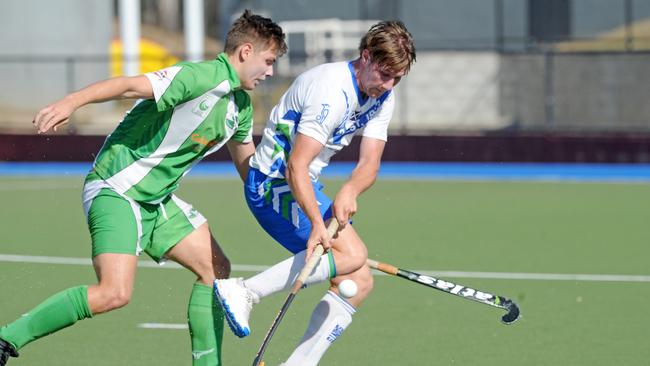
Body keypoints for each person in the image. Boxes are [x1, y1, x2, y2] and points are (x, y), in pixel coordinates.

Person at [0, 10, 286, 366]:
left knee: (216, 271)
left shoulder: (241, 106)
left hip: (157, 201)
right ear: (245, 52)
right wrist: (70, 102)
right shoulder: (198, 77)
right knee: (113, 293)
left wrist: (296, 205)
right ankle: (6, 339)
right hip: (116, 189)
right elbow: (127, 85)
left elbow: (249, 168)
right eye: (269, 61)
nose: (271, 72)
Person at [214, 20, 416, 365]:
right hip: (273, 183)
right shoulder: (331, 90)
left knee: (360, 282)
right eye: (384, 74)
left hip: (303, 181)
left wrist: (350, 190)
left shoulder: (384, 95)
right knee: (352, 255)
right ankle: (244, 291)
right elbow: (295, 166)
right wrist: (316, 223)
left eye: (396, 78)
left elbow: (369, 164)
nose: (388, 85)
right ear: (366, 56)